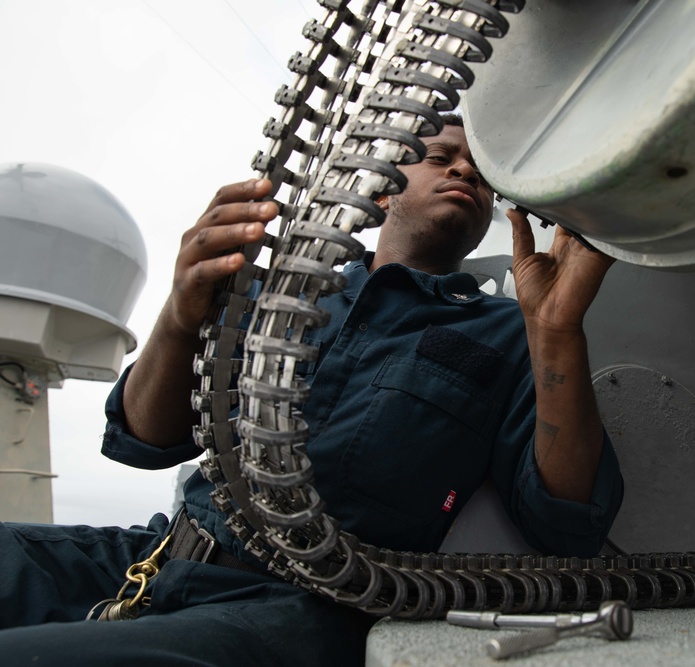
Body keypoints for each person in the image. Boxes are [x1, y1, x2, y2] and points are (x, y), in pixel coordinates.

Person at [0, 115, 624, 665]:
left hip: (299, 610)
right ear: (384, 186)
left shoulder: (511, 334)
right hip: (158, 551)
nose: (464, 169)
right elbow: (146, 438)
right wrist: (182, 311)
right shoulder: (279, 292)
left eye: (481, 173)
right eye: (440, 157)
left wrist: (557, 331)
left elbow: (566, 524)